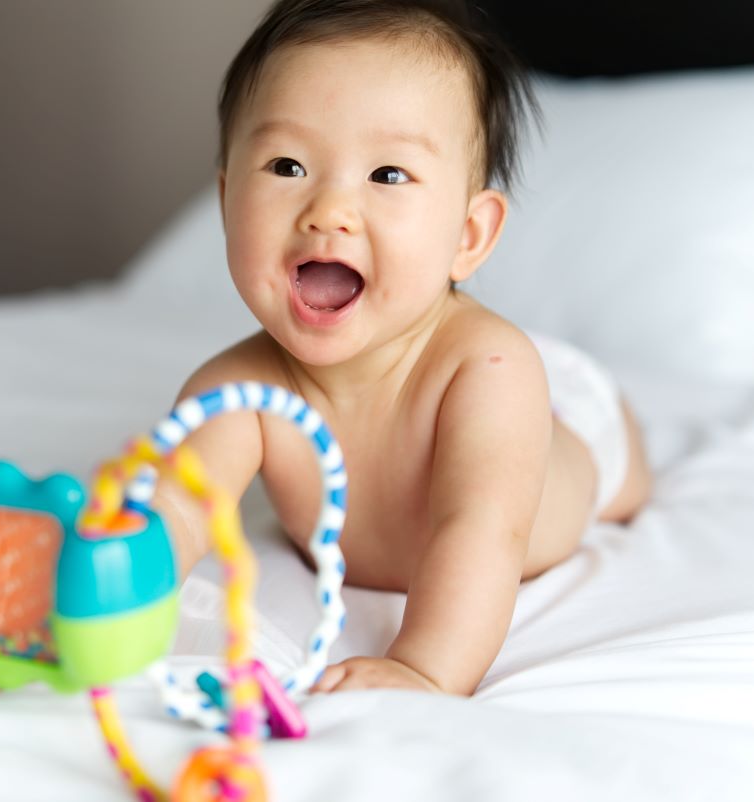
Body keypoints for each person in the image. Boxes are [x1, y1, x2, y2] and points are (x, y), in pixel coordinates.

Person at [152, 0, 653, 696]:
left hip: (562, 413)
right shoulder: (235, 389)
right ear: (227, 197)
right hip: (486, 364)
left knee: (622, 481)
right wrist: (74, 624)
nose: (328, 209)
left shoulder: (490, 374)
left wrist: (422, 667)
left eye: (387, 176)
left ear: (468, 236)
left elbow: (481, 532)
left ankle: (620, 431)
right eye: (288, 165)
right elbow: (173, 512)